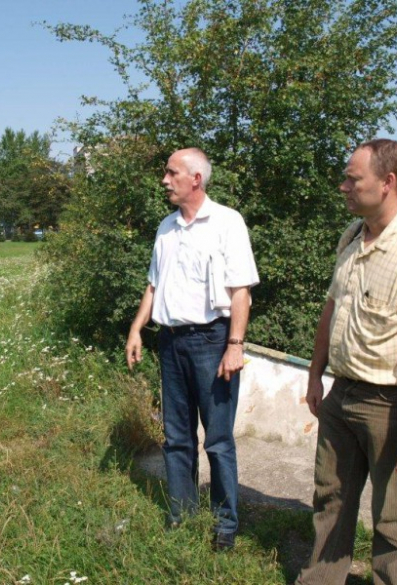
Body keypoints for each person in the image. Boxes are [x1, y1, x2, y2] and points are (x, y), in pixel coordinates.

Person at [296, 139, 397, 584]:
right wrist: (315, 376)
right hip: (342, 393)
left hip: (392, 405)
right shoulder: (352, 237)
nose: (343, 186)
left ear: (387, 183)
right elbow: (332, 310)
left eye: (353, 178)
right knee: (330, 499)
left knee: (394, 518)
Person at [126, 147, 259, 551]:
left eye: (172, 173)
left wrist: (235, 345)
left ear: (196, 179)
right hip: (170, 343)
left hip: (212, 342)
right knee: (177, 437)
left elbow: (241, 293)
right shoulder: (166, 226)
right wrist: (136, 329)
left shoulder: (226, 222)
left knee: (217, 440)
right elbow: (153, 285)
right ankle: (180, 515)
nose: (164, 180)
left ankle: (225, 524)